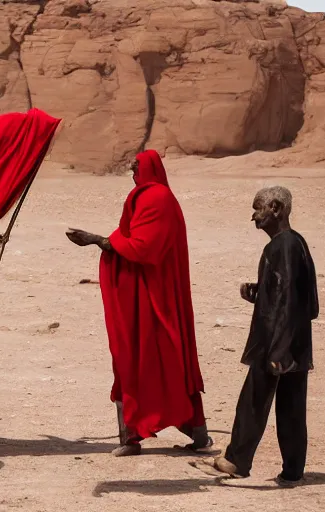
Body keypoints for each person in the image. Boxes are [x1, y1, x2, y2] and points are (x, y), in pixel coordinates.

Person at [65, 150, 211, 456]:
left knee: (151, 359)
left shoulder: (157, 199)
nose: (133, 173)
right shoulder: (145, 197)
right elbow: (129, 237)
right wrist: (105, 241)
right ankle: (133, 435)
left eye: (136, 168)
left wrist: (94, 239)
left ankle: (180, 434)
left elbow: (144, 248)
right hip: (139, 295)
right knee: (132, 358)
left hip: (153, 299)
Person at [209, 185, 318, 486]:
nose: (253, 216)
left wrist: (278, 349)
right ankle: (293, 471)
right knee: (292, 406)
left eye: (258, 208)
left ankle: (236, 460)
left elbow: (289, 301)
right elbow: (303, 301)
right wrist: (260, 294)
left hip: (275, 342)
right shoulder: (296, 244)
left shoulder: (282, 246)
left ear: (276, 209)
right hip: (295, 341)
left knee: (254, 400)